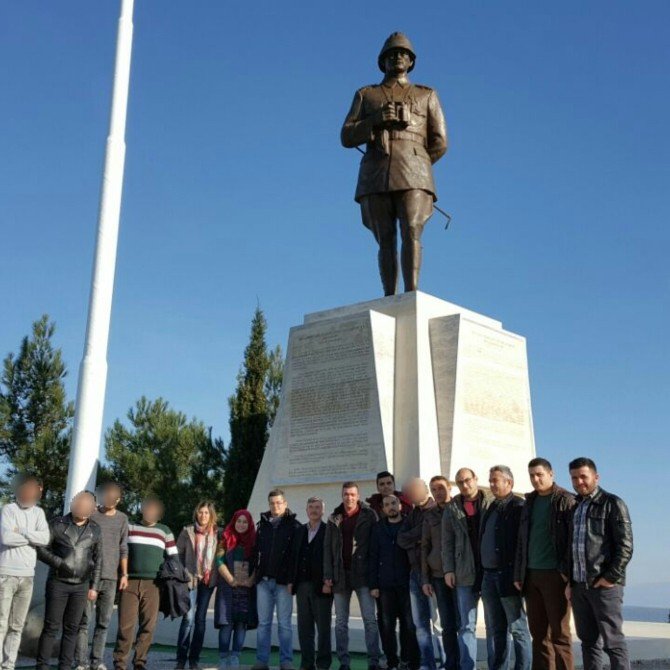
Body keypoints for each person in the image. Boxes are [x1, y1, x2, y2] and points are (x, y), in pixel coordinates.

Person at [341, 32, 447, 295]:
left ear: (411, 61)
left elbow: (440, 141)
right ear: (383, 61)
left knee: (412, 227)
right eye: (391, 54)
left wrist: (418, 161)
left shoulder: (426, 94)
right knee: (385, 237)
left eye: (403, 54)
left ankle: (412, 293)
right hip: (376, 170)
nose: (397, 57)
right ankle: (390, 296)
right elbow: (346, 135)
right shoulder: (367, 95)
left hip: (414, 172)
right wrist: (374, 120)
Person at [566, 458, 633, 670]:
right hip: (579, 586)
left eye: (583, 477)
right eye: (574, 478)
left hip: (604, 587)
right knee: (589, 643)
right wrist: (570, 581)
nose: (579, 482)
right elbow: (571, 548)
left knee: (613, 643)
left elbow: (626, 547)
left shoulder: (613, 504)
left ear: (596, 477)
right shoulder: (575, 506)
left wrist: (609, 577)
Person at [513, 458, 576, 670]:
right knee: (538, 634)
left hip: (556, 575)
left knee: (560, 634)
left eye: (539, 474)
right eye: (532, 475)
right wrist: (519, 574)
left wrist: (570, 578)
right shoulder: (528, 502)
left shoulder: (566, 500)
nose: (535, 479)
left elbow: (571, 542)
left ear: (551, 474)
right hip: (531, 576)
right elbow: (522, 541)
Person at [36, 491, 101, 670]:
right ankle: (42, 666)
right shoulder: (58, 524)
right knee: (51, 626)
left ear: (92, 508)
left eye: (86, 503)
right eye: (78, 501)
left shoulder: (95, 529)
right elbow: (41, 549)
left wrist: (94, 586)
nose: (81, 506)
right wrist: (60, 563)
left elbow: (99, 559)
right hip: (58, 583)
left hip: (81, 586)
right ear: (73, 503)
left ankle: (64, 666)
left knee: (72, 628)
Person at [113, 497, 177, 670]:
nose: (150, 511)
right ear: (142, 509)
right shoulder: (130, 527)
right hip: (129, 582)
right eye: (148, 508)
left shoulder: (165, 531)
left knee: (148, 625)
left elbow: (173, 559)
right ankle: (119, 662)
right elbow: (121, 552)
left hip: (154, 585)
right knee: (125, 626)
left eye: (154, 509)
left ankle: (140, 661)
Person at [324, 482, 380, 670]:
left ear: (358, 496)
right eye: (346, 494)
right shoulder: (334, 518)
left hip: (363, 575)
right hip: (340, 576)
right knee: (340, 622)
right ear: (342, 495)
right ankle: (344, 663)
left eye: (353, 494)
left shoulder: (369, 515)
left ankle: (373, 662)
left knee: (370, 620)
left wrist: (375, 577)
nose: (349, 497)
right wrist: (328, 575)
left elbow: (375, 547)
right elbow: (327, 550)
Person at [480, 466, 531, 670]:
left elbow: (522, 546)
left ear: (509, 483)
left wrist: (518, 575)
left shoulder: (519, 507)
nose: (492, 484)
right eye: (491, 480)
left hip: (508, 577)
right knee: (496, 629)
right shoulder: (491, 507)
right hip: (488, 576)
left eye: (496, 480)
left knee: (518, 629)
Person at [441, 468, 492, 670]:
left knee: (493, 626)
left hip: (489, 570)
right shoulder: (452, 508)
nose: (465, 485)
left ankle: (495, 665)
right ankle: (467, 666)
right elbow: (447, 542)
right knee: (466, 626)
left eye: (468, 480)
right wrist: (448, 570)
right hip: (463, 573)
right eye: (460, 482)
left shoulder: (490, 501)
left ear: (476, 479)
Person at [74, 481, 129, 670]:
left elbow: (124, 547)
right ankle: (81, 662)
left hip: (111, 578)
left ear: (119, 499)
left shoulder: (122, 519)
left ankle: (96, 661)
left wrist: (124, 574)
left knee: (103, 623)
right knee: (83, 622)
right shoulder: (93, 514)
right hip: (89, 577)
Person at [0, 474, 50, 670]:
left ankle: (9, 665)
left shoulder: (38, 513)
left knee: (17, 625)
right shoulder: (8, 510)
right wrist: (31, 537)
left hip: (28, 576)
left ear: (38, 491)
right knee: (1, 622)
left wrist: (21, 531)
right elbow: (6, 538)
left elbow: (45, 539)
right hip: (5, 574)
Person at [369, 494, 420, 670]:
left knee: (408, 624)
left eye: (393, 503)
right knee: (387, 625)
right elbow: (372, 556)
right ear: (382, 509)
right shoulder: (377, 528)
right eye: (387, 505)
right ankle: (392, 661)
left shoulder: (408, 524)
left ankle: (407, 660)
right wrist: (373, 584)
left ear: (399, 506)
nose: (390, 507)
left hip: (407, 583)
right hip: (384, 585)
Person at [253, 489, 301, 670]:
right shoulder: (262, 525)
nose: (275, 506)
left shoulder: (295, 526)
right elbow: (257, 550)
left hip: (283, 584)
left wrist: (291, 581)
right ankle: (261, 661)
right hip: (263, 582)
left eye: (279, 503)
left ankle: (286, 661)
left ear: (285, 503)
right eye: (272, 503)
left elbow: (295, 557)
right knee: (264, 624)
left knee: (284, 624)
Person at [398, 478, 441, 670]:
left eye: (415, 490)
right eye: (408, 493)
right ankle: (427, 664)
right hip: (415, 573)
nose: (412, 495)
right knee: (420, 625)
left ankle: (447, 663)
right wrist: (421, 536)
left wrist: (418, 537)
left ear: (425, 490)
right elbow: (401, 539)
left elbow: (431, 539)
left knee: (439, 625)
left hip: (434, 573)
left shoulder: (436, 511)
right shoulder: (412, 514)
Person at [289, 497, 332, 670]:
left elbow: (332, 557)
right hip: (301, 586)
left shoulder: (329, 530)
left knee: (323, 629)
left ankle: (323, 664)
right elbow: (294, 558)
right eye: (311, 507)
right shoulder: (299, 531)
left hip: (322, 586)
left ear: (322, 511)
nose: (314, 510)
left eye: (317, 507)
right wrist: (291, 581)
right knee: (304, 628)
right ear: (306, 510)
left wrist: (328, 581)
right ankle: (307, 664)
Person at [176, 501, 220, 670]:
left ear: (211, 515)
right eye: (201, 512)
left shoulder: (217, 533)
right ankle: (181, 659)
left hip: (208, 582)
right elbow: (178, 554)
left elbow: (220, 555)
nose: (203, 515)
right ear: (196, 513)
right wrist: (183, 573)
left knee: (200, 619)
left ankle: (194, 660)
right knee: (188, 618)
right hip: (190, 580)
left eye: (206, 513)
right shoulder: (187, 531)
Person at [421, 476, 458, 670]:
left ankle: (465, 663)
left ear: (449, 488)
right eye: (434, 489)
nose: (437, 493)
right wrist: (425, 579)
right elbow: (425, 546)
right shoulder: (429, 515)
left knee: (463, 625)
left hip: (460, 576)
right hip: (437, 576)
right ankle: (451, 664)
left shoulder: (459, 509)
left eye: (441, 488)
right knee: (447, 625)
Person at [215, 510, 257, 668]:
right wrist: (231, 580)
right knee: (226, 623)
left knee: (241, 624)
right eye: (238, 521)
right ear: (234, 522)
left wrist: (251, 580)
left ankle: (235, 657)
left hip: (246, 590)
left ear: (249, 524)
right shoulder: (225, 538)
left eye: (245, 522)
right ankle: (223, 658)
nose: (241, 524)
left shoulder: (254, 540)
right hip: (228, 587)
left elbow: (259, 563)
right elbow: (219, 561)